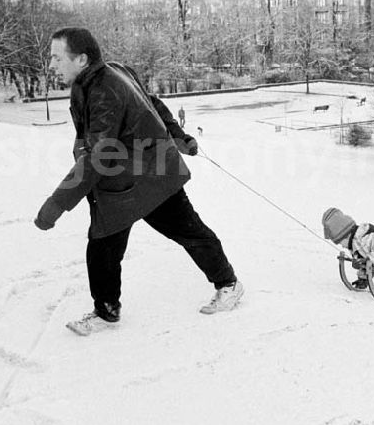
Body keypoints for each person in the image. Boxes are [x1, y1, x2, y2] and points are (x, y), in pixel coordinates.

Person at [34, 27, 242, 335]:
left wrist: (56, 204)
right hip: (123, 180)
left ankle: (229, 284)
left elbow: (97, 155)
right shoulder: (108, 72)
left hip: (150, 177)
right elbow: (151, 103)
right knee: (103, 246)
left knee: (188, 231)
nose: (51, 65)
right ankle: (106, 311)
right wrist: (179, 135)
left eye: (56, 57)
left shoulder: (105, 90)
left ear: (81, 59)